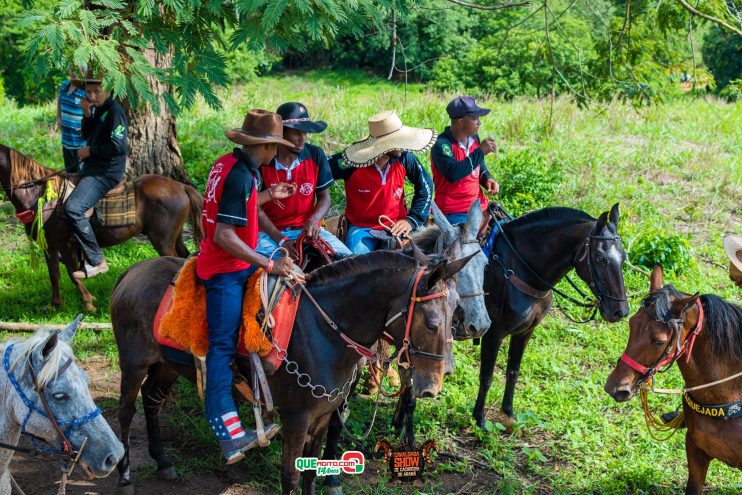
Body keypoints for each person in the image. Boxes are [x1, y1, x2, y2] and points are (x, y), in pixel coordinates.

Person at [197, 109, 300, 464]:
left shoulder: (228, 164)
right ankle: (227, 436)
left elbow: (237, 207)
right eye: (276, 146)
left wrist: (269, 196)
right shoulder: (242, 176)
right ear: (269, 147)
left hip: (238, 263)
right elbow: (224, 235)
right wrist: (270, 263)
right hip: (225, 270)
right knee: (222, 349)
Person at [328, 111, 434, 254]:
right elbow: (318, 173)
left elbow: (426, 186)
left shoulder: (405, 158)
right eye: (398, 142)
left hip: (397, 225)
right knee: (358, 261)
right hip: (361, 228)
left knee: (421, 260)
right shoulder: (351, 162)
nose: (402, 146)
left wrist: (412, 220)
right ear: (384, 146)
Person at [256, 102, 351, 258]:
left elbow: (324, 197)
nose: (302, 138)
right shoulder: (263, 160)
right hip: (270, 233)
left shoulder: (315, 155)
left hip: (307, 230)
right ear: (280, 132)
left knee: (349, 261)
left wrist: (314, 220)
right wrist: (280, 240)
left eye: (305, 133)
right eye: (296, 132)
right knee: (262, 270)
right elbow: (253, 207)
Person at [66, 74, 128, 279]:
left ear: (109, 90)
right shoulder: (99, 110)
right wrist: (86, 113)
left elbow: (118, 147)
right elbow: (87, 136)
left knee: (73, 208)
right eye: (88, 92)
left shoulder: (114, 112)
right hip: (92, 168)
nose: (91, 96)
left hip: (106, 172)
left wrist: (91, 151)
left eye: (96, 92)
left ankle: (97, 260)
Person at [430, 96, 499, 226]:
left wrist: (487, 178)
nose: (479, 122)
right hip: (454, 210)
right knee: (463, 243)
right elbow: (453, 173)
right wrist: (480, 152)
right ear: (460, 121)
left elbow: (478, 165)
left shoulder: (474, 138)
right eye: (474, 119)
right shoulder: (442, 145)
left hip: (479, 204)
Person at [57, 68, 88, 173]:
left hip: (80, 141)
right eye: (72, 69)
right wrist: (58, 118)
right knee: (69, 171)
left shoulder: (85, 90)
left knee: (80, 173)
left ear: (84, 72)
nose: (74, 72)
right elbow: (59, 101)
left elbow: (92, 111)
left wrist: (85, 127)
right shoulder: (64, 85)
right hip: (66, 138)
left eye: (78, 70)